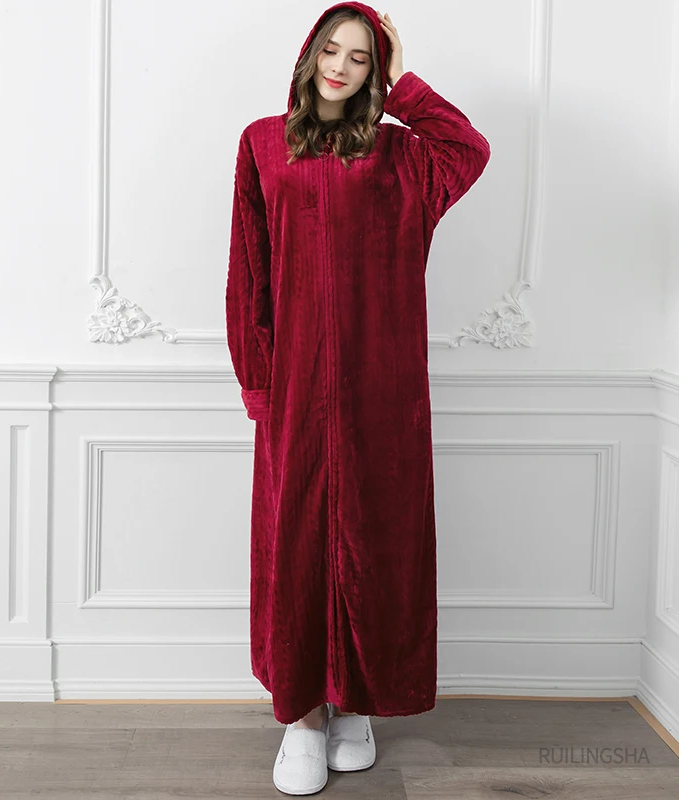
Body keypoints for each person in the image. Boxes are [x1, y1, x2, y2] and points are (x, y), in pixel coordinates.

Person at [225, 2, 490, 794]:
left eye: (361, 57)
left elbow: (469, 148)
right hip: (295, 386)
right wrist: (259, 382)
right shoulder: (262, 143)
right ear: (310, 55)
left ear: (377, 70)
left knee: (381, 544)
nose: (341, 67)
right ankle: (304, 716)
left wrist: (404, 83)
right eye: (331, 50)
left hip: (386, 385)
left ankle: (358, 707)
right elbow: (248, 271)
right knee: (297, 549)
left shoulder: (404, 154)